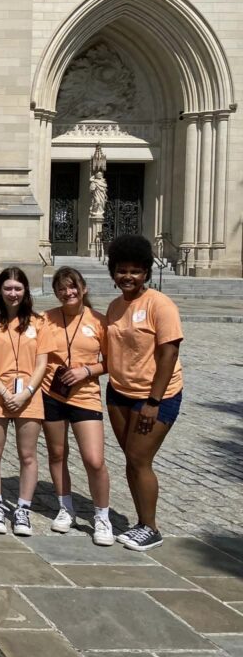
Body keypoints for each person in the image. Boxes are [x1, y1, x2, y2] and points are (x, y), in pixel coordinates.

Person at [104, 234, 183, 552]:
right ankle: (140, 523)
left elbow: (169, 354)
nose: (128, 276)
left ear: (147, 273)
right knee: (131, 459)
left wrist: (154, 401)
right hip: (119, 392)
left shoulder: (159, 305)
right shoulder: (114, 306)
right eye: (122, 270)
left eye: (135, 271)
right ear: (113, 272)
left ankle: (151, 527)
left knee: (139, 458)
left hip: (154, 397)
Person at [0, 267, 55, 537]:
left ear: (26, 291)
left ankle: (22, 509)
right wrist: (2, 390)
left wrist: (26, 391)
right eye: (8, 288)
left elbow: (43, 362)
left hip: (28, 396)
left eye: (18, 288)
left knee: (28, 455)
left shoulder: (38, 322)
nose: (13, 293)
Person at [40, 266, 114, 546]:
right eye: (61, 288)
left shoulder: (99, 321)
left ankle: (102, 516)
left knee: (94, 460)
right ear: (56, 292)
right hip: (52, 395)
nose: (68, 292)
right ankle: (65, 507)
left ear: (83, 289)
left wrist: (88, 370)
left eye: (72, 287)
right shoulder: (45, 319)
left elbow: (112, 361)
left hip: (85, 396)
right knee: (57, 454)